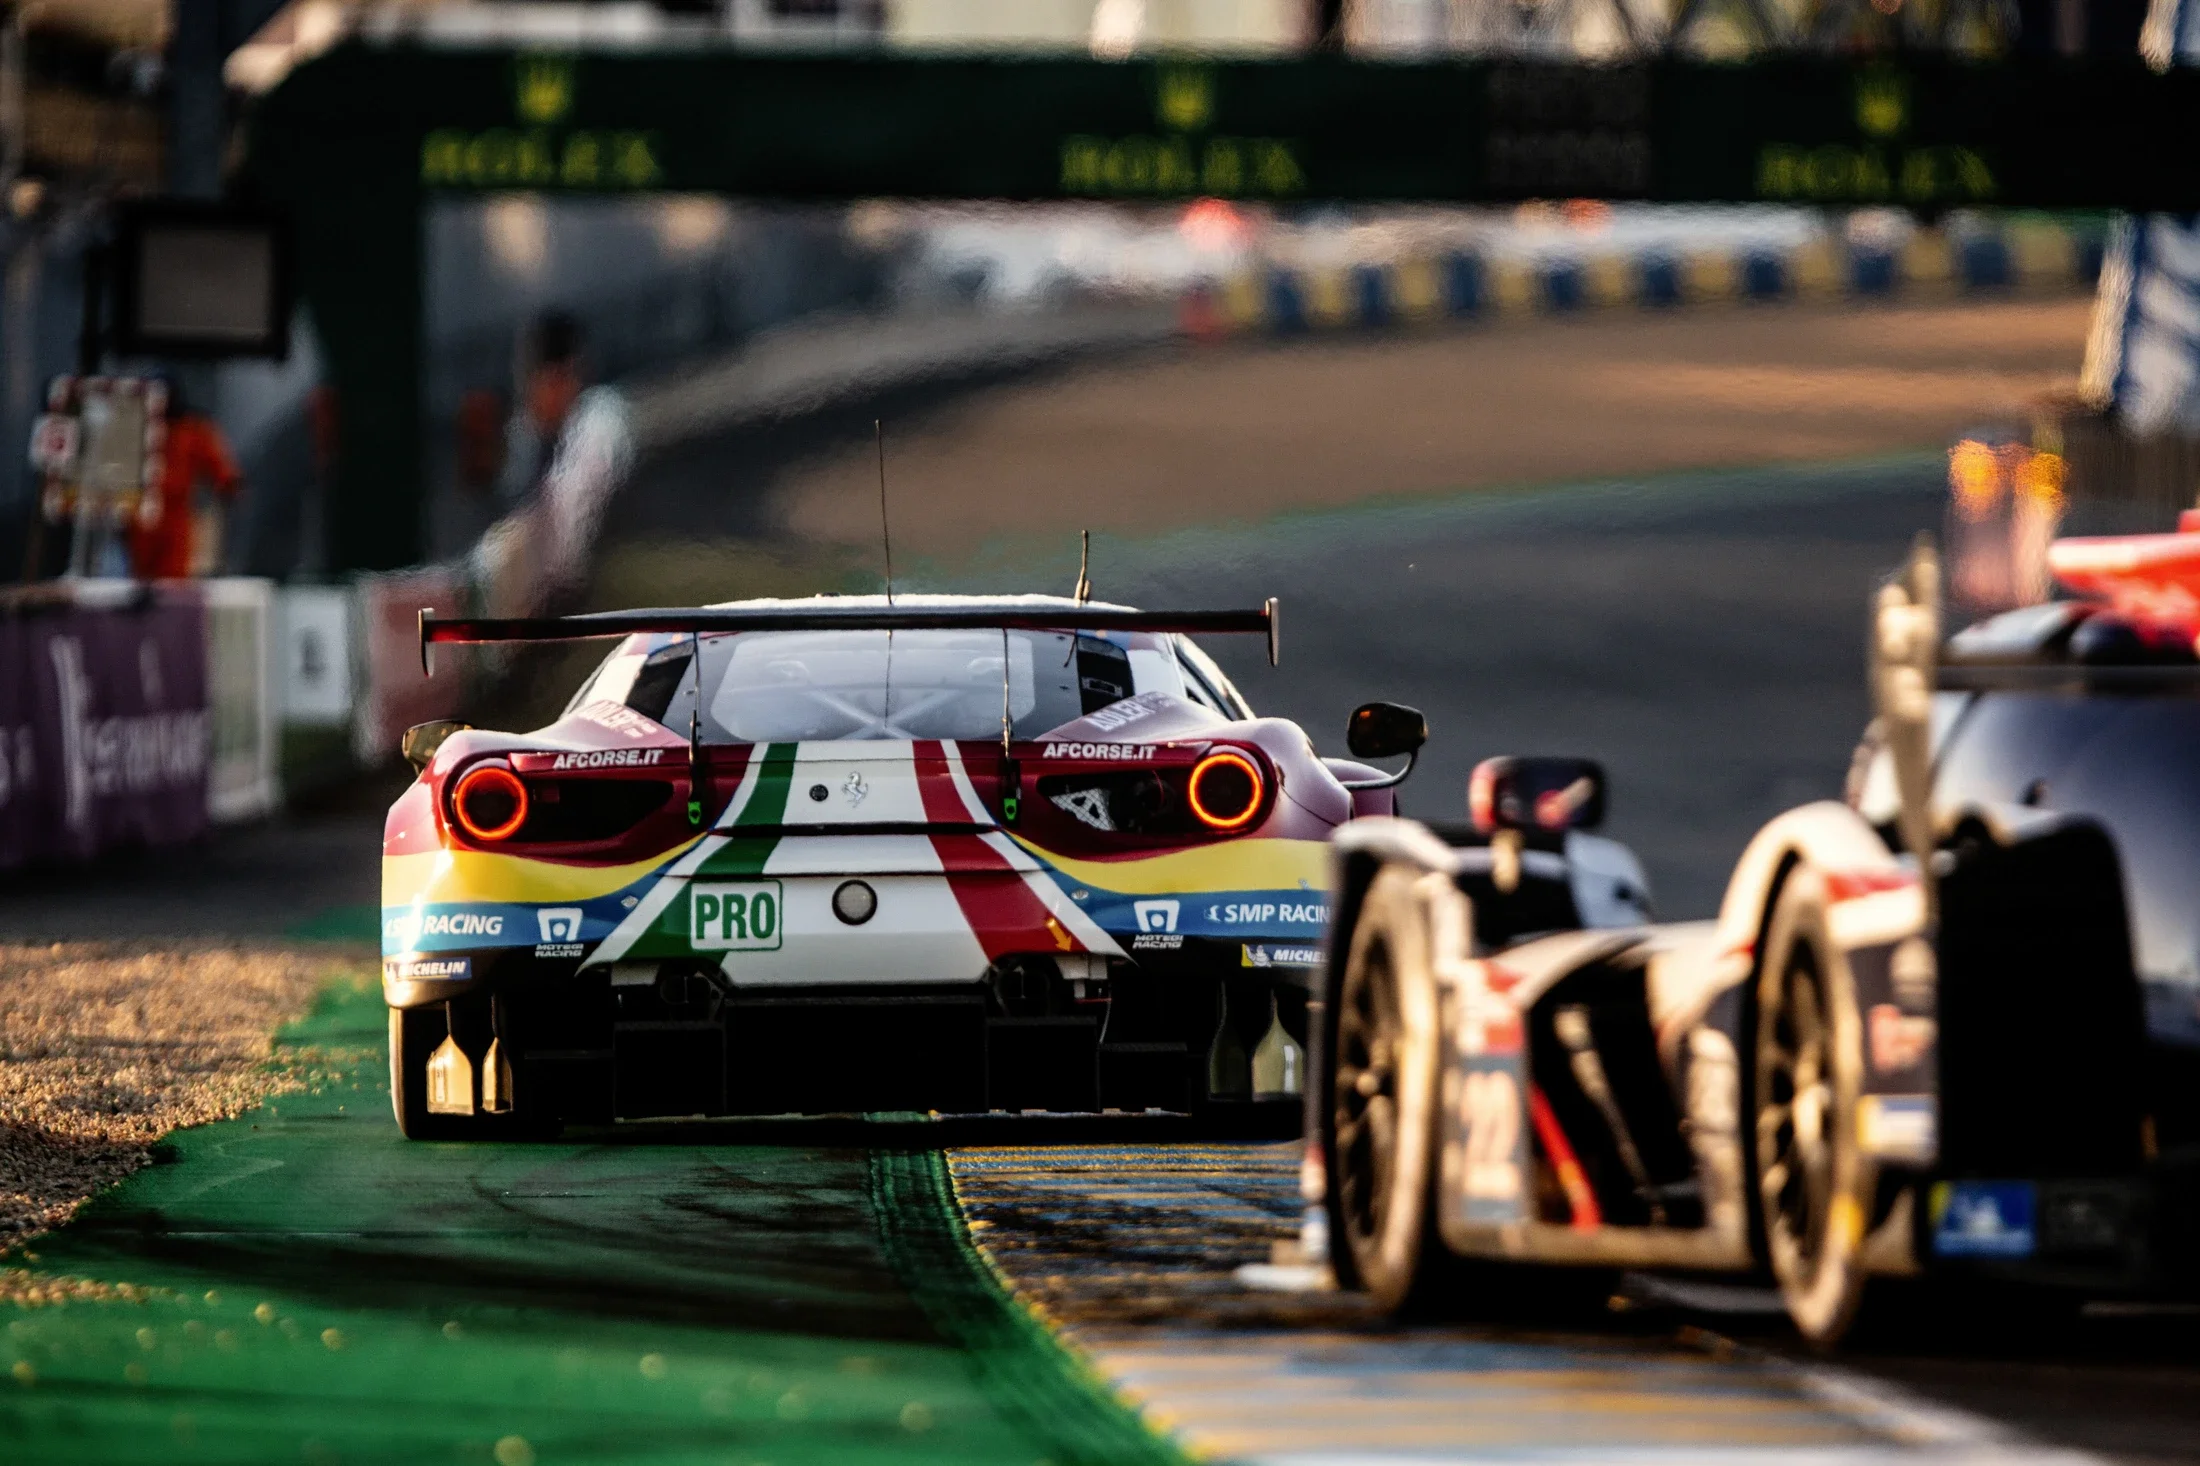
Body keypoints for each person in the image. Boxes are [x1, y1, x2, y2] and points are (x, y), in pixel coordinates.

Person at [131, 381, 241, 581]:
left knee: (173, 579)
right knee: (139, 578)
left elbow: (219, 466)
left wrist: (228, 483)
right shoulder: (138, 424)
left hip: (174, 513)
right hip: (139, 511)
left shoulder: (191, 430)